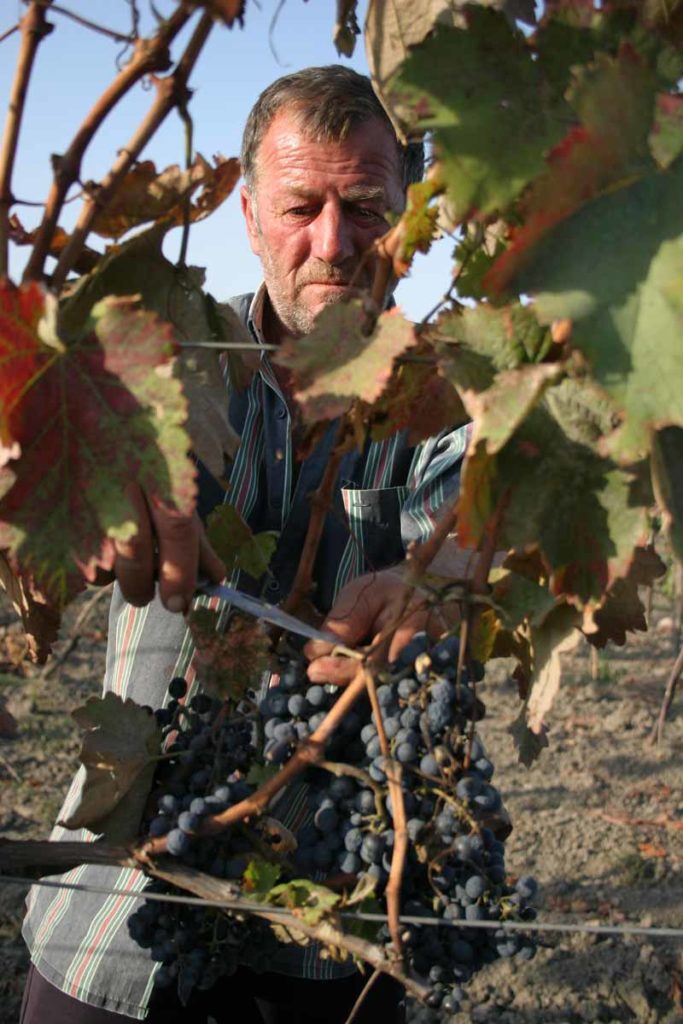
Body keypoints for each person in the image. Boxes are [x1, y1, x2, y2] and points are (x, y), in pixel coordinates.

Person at [20, 65, 468, 1024]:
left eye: (367, 207)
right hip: (117, 900)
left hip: (338, 917)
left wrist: (445, 580)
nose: (333, 242)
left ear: (409, 214)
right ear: (250, 214)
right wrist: (87, 456)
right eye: (301, 206)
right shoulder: (160, 364)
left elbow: (485, 544)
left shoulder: (447, 401)